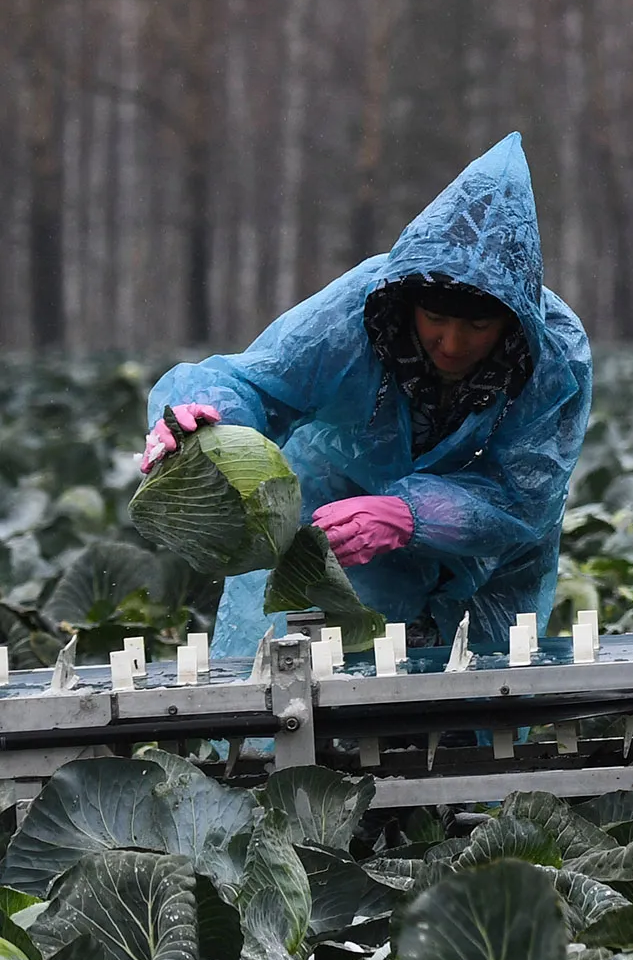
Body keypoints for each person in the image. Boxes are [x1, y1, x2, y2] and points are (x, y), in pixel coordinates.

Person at [142, 134, 592, 659]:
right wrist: (204, 416)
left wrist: (410, 514)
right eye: (436, 320)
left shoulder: (555, 358)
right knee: (293, 691)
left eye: (476, 325)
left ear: (511, 320)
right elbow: (257, 384)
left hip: (491, 558)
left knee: (484, 697)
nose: (452, 343)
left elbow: (524, 498)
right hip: (332, 513)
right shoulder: (356, 311)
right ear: (409, 305)